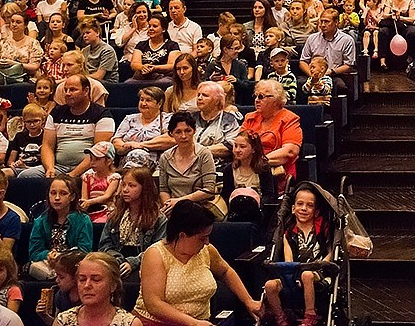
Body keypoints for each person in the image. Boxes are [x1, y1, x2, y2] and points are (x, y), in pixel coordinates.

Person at [133, 200, 261, 325]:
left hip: (200, 321)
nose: (207, 242)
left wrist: (248, 301)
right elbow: (154, 304)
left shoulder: (207, 250)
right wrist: (193, 323)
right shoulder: (156, 254)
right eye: (202, 238)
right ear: (182, 235)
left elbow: (225, 271)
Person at [261, 183, 334, 326]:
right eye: (300, 204)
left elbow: (331, 252)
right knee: (270, 285)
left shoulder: (322, 228)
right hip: (295, 273)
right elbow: (288, 259)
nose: (304, 208)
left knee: (306, 275)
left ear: (316, 212)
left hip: (319, 271)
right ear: (293, 209)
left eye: (309, 205)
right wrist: (290, 274)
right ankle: (280, 317)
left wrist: (323, 264)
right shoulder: (288, 232)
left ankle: (310, 314)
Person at [21, 75, 114, 178]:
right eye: (66, 90)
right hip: (59, 167)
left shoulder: (102, 114)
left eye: (73, 90)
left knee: (88, 178)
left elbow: (99, 151)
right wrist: (50, 168)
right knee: (26, 176)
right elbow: (47, 146)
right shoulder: (56, 113)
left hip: (90, 169)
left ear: (86, 91)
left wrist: (73, 174)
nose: (68, 93)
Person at [98, 166, 167, 279]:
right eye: (123, 185)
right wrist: (117, 260)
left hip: (144, 264)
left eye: (131, 186)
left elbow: (159, 249)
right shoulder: (116, 215)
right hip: (116, 261)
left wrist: (133, 262)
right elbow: (104, 245)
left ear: (144, 188)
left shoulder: (158, 219)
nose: (125, 190)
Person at [28, 176, 93, 280]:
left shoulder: (83, 220)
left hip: (72, 264)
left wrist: (62, 257)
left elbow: (84, 251)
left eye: (63, 193)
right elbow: (34, 253)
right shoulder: (40, 221)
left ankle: (63, 277)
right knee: (34, 267)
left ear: (72, 197)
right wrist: (48, 255)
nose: (57, 198)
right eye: (53, 193)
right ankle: (59, 278)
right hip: (47, 264)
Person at [157, 112, 218, 217]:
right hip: (173, 210)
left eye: (188, 131)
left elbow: (209, 189)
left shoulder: (204, 154)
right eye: (178, 132)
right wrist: (168, 206)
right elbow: (163, 190)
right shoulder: (165, 157)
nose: (183, 136)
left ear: (194, 131)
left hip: (198, 209)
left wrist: (179, 202)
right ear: (171, 134)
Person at [52, 253, 137, 326]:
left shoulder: (129, 323)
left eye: (96, 279)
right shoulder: (62, 321)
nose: (87, 285)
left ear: (113, 285)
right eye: (82, 279)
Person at [240, 80, 301, 182]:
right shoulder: (250, 118)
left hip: (277, 173)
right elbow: (238, 144)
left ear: (276, 100)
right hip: (247, 169)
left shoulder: (290, 119)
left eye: (261, 97)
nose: (256, 100)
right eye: (255, 96)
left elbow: (290, 151)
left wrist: (259, 162)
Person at [111, 86, 173, 169]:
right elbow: (116, 141)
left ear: (159, 104)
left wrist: (140, 145)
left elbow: (170, 139)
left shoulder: (167, 119)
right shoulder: (129, 119)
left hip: (155, 163)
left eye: (148, 100)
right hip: (126, 160)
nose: (143, 103)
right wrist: (125, 147)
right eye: (141, 99)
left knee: (138, 154)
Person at [299, 9, 356, 97]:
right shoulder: (312, 38)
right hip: (313, 74)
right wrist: (314, 76)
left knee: (339, 86)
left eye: (326, 22)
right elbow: (303, 61)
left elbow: (349, 65)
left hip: (334, 75)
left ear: (336, 22)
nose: (322, 25)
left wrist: (331, 72)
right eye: (321, 21)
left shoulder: (347, 40)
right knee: (300, 83)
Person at [129, 13, 181, 84]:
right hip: (143, 77)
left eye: (155, 26)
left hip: (164, 77)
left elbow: (172, 65)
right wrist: (142, 67)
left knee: (163, 82)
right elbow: (134, 64)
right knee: (128, 83)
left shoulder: (172, 45)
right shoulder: (141, 45)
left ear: (163, 29)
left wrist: (155, 68)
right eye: (149, 26)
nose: (151, 29)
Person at [79, 18, 117, 84]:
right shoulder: (84, 50)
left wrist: (79, 78)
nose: (84, 36)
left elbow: (99, 76)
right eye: (83, 34)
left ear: (97, 33)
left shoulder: (107, 50)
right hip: (88, 80)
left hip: (107, 83)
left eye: (88, 33)